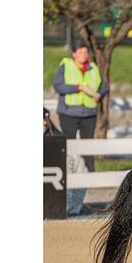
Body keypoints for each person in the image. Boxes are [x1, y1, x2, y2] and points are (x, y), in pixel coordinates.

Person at [52, 40, 108, 214]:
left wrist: (100, 94)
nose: (84, 55)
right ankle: (65, 186)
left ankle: (83, 191)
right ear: (74, 54)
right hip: (69, 113)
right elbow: (58, 86)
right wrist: (79, 88)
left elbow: (104, 86)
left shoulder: (93, 68)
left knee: (87, 151)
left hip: (88, 115)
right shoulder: (66, 66)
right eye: (81, 52)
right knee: (67, 150)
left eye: (86, 52)